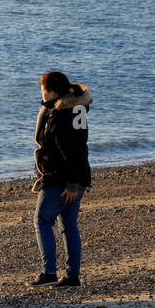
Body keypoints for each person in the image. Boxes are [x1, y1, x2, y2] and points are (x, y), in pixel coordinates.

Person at [29, 71, 92, 288]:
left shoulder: (60, 116)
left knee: (42, 220)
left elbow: (72, 153)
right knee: (68, 225)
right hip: (76, 177)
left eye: (44, 90)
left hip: (61, 179)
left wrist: (72, 186)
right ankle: (72, 277)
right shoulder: (77, 110)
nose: (42, 94)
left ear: (53, 92)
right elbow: (80, 148)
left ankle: (49, 273)